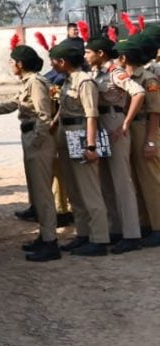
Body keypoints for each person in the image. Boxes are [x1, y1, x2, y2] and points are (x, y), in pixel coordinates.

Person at [0, 44, 59, 261]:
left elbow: (44, 116)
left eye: (11, 61)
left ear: (20, 64)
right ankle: (44, 237)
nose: (10, 64)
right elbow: (9, 106)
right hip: (32, 138)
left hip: (38, 140)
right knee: (37, 192)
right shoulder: (28, 83)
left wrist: (35, 142)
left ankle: (51, 243)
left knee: (43, 194)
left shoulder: (35, 83)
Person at [49, 40, 110, 256]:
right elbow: (64, 108)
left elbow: (91, 115)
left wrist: (91, 146)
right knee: (74, 191)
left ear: (63, 62)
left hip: (82, 135)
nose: (52, 65)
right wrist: (54, 123)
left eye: (54, 61)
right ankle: (83, 234)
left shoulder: (85, 82)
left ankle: (100, 238)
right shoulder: (67, 81)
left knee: (90, 190)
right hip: (66, 137)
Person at [85, 36, 141, 253]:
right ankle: (116, 228)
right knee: (106, 180)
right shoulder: (94, 74)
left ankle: (132, 233)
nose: (85, 55)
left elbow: (138, 92)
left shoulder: (114, 72)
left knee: (121, 180)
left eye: (88, 51)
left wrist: (126, 122)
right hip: (100, 124)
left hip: (115, 121)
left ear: (100, 53)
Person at [115, 34, 160, 247]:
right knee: (136, 179)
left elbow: (155, 112)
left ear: (124, 58)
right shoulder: (126, 78)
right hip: (131, 128)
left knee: (151, 181)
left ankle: (158, 227)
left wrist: (151, 141)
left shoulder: (148, 78)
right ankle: (144, 223)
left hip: (144, 128)